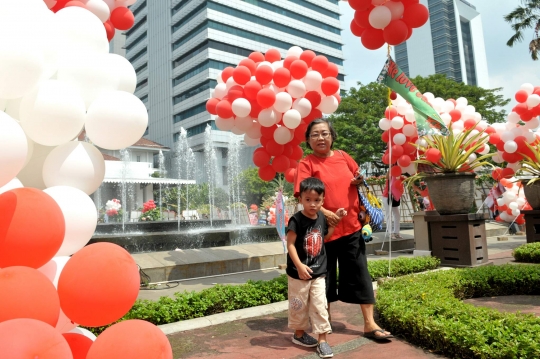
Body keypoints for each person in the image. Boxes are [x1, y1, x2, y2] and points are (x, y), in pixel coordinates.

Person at [295, 118, 393, 342]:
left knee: (361, 276)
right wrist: (328, 216)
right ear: (308, 140)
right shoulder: (306, 164)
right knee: (322, 281)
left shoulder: (343, 156)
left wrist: (359, 180)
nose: (321, 138)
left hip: (351, 229)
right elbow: (303, 197)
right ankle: (323, 324)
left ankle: (369, 324)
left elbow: (358, 179)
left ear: (332, 136)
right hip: (322, 234)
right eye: (315, 134)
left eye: (325, 133)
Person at [286, 177, 346, 358]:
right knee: (299, 306)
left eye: (317, 200)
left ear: (323, 200)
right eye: (308, 200)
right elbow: (289, 245)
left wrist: (336, 223)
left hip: (319, 271)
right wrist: (300, 266)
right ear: (300, 200)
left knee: (320, 306)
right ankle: (299, 334)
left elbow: (325, 237)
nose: (312, 204)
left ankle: (322, 340)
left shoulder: (321, 216)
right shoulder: (296, 220)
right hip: (298, 274)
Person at [382, 172, 402, 239]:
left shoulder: (398, 175)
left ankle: (396, 232)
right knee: (389, 215)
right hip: (387, 197)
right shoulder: (391, 174)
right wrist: (391, 168)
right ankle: (390, 233)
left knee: (397, 214)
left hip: (394, 197)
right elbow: (387, 177)